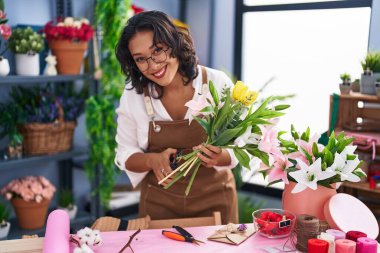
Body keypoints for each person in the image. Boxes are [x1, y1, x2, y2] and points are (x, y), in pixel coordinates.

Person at [114, 10, 238, 224]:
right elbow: (125, 153)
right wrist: (152, 160)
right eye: (141, 59)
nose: (152, 66)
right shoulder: (133, 95)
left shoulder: (216, 83)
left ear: (175, 43)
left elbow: (244, 142)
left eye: (158, 50)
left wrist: (220, 156)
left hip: (216, 202)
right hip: (158, 205)